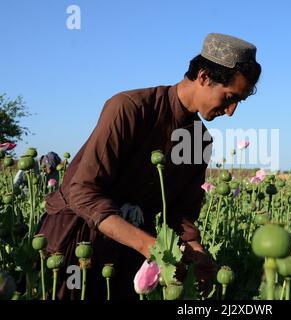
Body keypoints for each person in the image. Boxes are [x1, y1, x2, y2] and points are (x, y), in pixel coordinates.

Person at [37, 33, 261, 300]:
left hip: (133, 250)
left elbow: (180, 215)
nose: (231, 111)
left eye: (239, 102)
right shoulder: (130, 108)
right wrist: (150, 246)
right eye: (229, 97)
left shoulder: (198, 140)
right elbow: (83, 192)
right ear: (203, 77)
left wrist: (197, 254)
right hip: (77, 242)